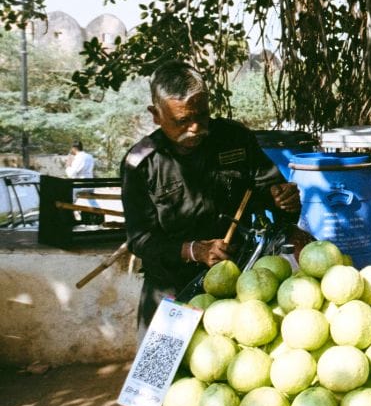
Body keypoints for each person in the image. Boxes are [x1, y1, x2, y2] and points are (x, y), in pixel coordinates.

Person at [121, 61, 300, 334]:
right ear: (155, 115)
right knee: (163, 361)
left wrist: (283, 199)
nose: (195, 128)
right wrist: (195, 250)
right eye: (182, 120)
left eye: (202, 116)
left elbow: (269, 191)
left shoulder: (234, 139)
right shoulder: (142, 164)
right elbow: (140, 240)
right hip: (171, 290)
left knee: (244, 352)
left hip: (238, 282)